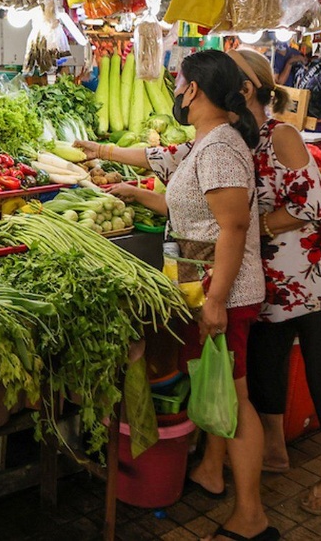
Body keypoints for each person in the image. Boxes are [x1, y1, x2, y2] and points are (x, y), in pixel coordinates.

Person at [78, 50, 277, 541]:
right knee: (224, 390)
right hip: (198, 281)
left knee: (234, 398)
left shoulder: (222, 148)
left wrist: (216, 303)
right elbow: (178, 202)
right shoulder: (206, 143)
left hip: (223, 290)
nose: (176, 92)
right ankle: (215, 476)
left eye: (179, 83)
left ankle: (252, 516)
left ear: (194, 90)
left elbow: (232, 227)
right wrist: (131, 191)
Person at [233, 49, 321, 515]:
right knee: (265, 367)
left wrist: (255, 226)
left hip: (314, 276)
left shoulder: (280, 134)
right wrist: (104, 154)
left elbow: (312, 204)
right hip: (265, 280)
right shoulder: (232, 138)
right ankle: (273, 449)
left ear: (248, 88)